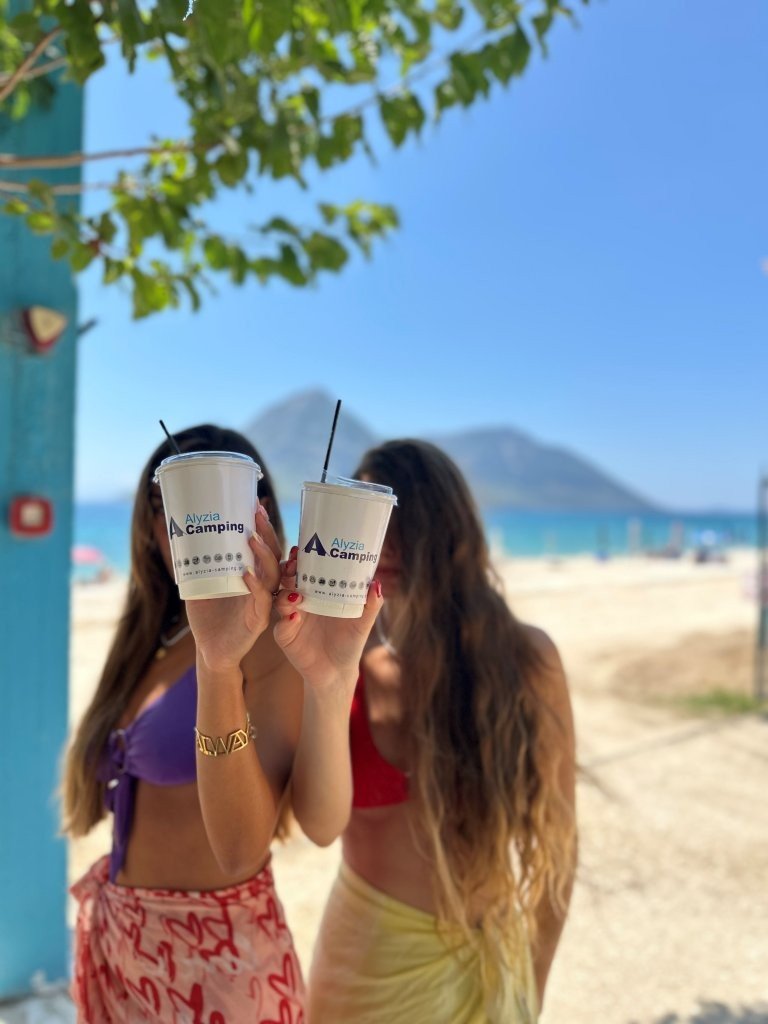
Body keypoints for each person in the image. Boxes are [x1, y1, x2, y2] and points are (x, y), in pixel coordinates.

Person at [62, 424, 382, 1024]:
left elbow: (249, 847)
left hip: (217, 968)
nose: (179, 523)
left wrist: (221, 665)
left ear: (255, 516)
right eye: (163, 504)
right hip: (124, 947)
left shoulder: (266, 643)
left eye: (213, 505)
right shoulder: (156, 636)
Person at [279, 439, 577, 1024]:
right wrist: (325, 679)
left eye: (404, 521)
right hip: (365, 966)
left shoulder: (524, 659)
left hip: (490, 967)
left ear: (447, 530)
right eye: (368, 522)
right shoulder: (337, 659)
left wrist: (533, 991)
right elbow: (319, 827)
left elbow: (560, 849)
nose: (385, 544)